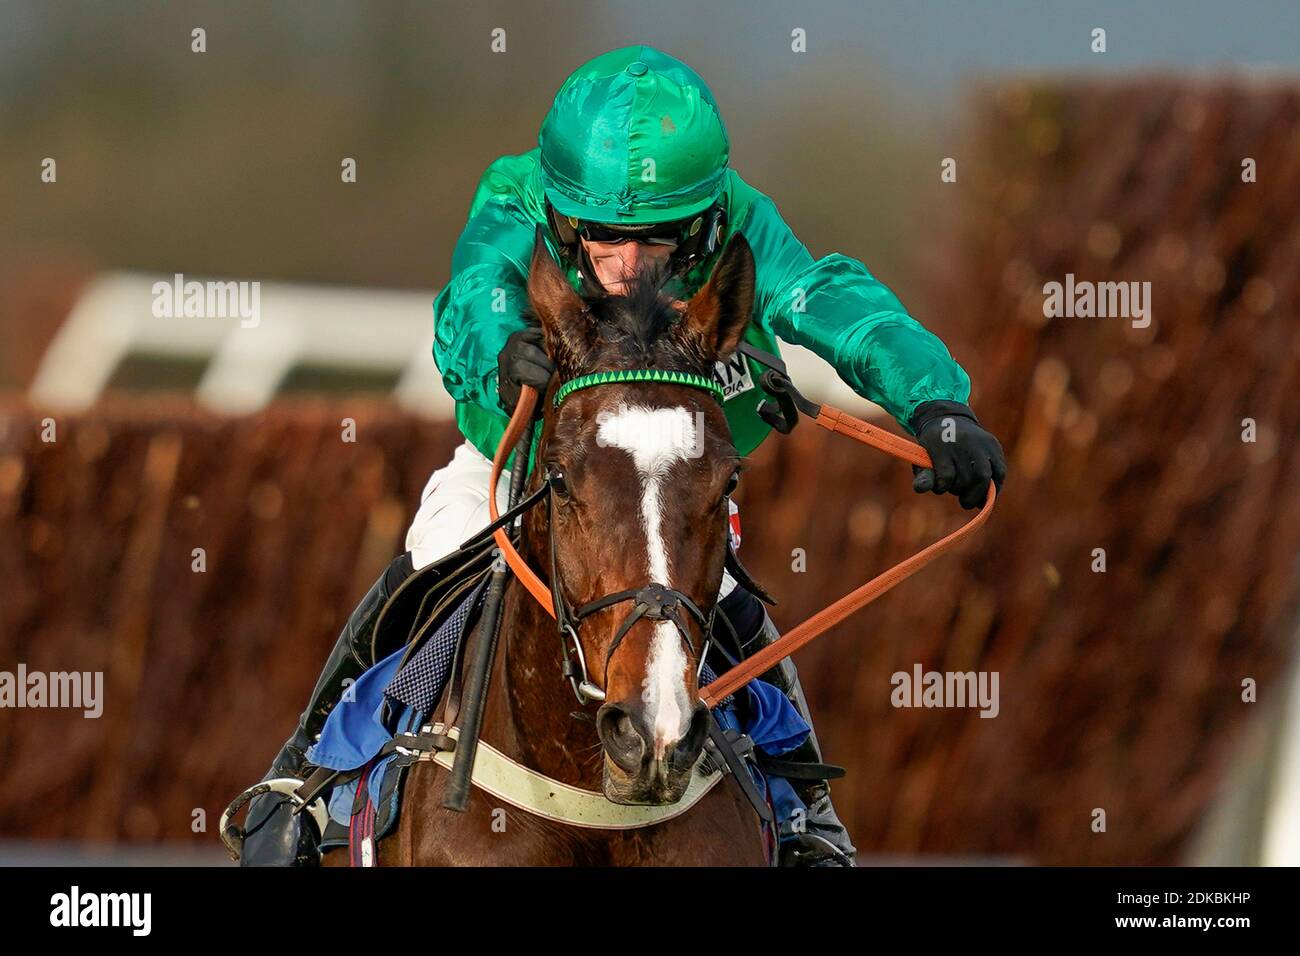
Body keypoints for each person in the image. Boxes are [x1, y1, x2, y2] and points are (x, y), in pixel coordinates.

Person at [239, 45, 1006, 867]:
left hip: (664, 479)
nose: (628, 267)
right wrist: (503, 349)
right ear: (567, 211)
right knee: (438, 553)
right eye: (605, 238)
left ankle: (806, 813)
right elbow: (478, 286)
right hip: (528, 457)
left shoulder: (741, 216)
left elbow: (832, 302)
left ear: (703, 215)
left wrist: (935, 401)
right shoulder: (517, 191)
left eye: (658, 241)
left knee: (730, 600)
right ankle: (302, 777)